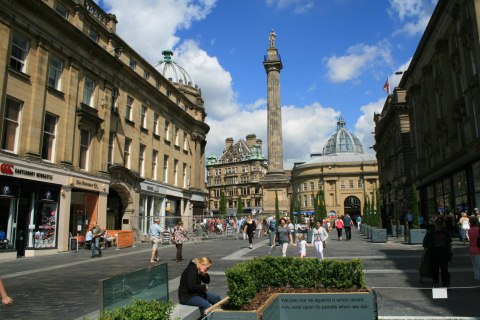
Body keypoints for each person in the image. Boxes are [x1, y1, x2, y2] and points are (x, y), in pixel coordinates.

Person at [423, 217, 452, 287]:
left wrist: (425, 253)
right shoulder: (444, 231)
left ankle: (438, 283)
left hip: (437, 253)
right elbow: (449, 243)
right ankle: (445, 285)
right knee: (442, 269)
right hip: (440, 253)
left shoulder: (431, 231)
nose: (439, 225)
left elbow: (425, 244)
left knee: (437, 269)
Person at [467, 216, 480, 283]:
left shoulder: (469, 230)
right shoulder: (478, 230)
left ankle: (478, 284)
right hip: (478, 249)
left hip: (472, 249)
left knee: (476, 268)